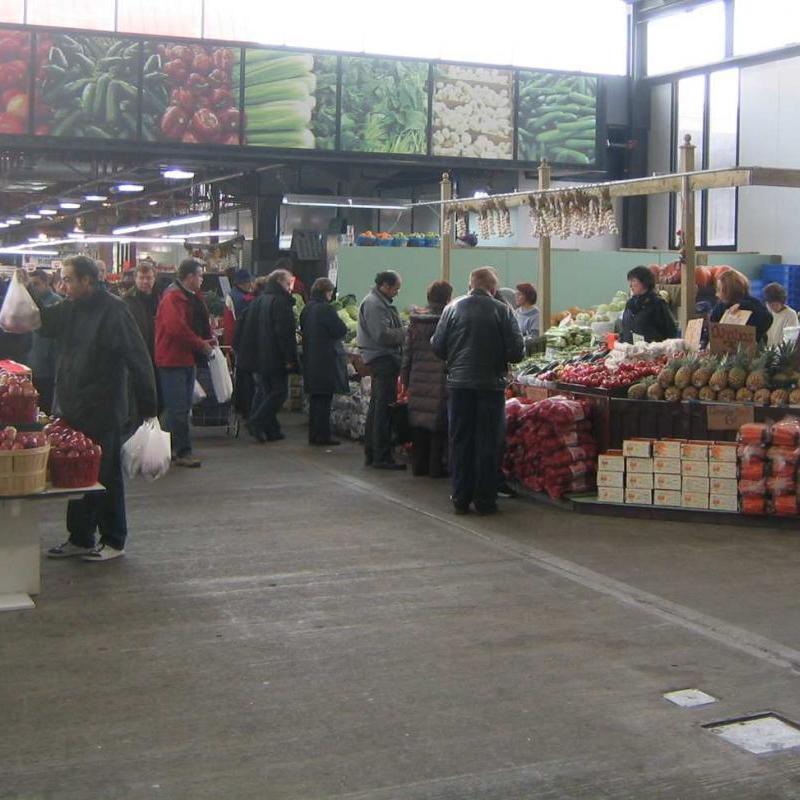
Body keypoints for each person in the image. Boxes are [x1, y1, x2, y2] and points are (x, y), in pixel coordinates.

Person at [22, 256, 157, 561]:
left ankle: (114, 539)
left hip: (103, 407)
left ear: (88, 280)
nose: (63, 284)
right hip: (72, 405)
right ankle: (81, 537)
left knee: (106, 475)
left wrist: (149, 407)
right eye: (62, 279)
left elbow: (138, 358)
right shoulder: (69, 308)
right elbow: (41, 322)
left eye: (69, 279)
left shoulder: (115, 310)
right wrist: (24, 290)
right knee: (77, 476)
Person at [431, 266, 524, 515]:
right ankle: (485, 500)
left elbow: (437, 346)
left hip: (459, 385)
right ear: (493, 289)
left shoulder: (452, 309)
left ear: (470, 285)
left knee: (460, 440)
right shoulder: (503, 310)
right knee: (488, 442)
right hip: (490, 386)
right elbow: (517, 350)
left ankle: (460, 497)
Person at [155, 259, 214, 467]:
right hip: (173, 360)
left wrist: (204, 341)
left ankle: (160, 446)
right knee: (178, 408)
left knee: (178, 408)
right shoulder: (174, 297)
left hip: (185, 359)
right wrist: (200, 344)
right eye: (200, 275)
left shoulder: (187, 296)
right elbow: (176, 328)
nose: (202, 279)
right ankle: (182, 451)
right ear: (190, 277)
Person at [238, 268, 298, 443]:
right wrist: (289, 358)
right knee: (279, 392)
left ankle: (272, 430)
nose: (290, 287)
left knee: (266, 391)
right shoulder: (280, 302)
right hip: (275, 356)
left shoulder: (260, 300)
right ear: (280, 282)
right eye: (288, 283)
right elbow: (284, 333)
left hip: (260, 355)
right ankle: (256, 422)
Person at [401, 280, 452, 478]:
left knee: (419, 424)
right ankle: (436, 468)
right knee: (438, 425)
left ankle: (418, 466)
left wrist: (405, 377)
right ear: (447, 298)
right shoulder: (447, 320)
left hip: (417, 376)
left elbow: (407, 352)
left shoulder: (416, 321)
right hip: (440, 378)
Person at [357, 270, 406, 470]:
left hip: (381, 358)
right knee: (383, 409)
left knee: (377, 408)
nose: (396, 293)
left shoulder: (377, 303)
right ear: (385, 286)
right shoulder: (375, 305)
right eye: (395, 289)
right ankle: (381, 456)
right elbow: (382, 335)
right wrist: (406, 331)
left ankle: (373, 452)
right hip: (383, 359)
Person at [300, 277, 349, 446]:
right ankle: (323, 436)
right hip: (326, 359)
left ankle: (314, 434)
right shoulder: (326, 309)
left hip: (310, 358)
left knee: (315, 400)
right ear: (326, 292)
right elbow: (340, 329)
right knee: (324, 400)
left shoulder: (307, 309)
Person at [25, 270, 60, 414]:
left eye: (36, 284)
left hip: (49, 370)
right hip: (33, 366)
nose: (34, 288)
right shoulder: (29, 304)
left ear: (46, 283)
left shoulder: (57, 304)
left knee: (45, 409)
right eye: (31, 285)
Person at [710, 269, 773, 344]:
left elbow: (767, 319)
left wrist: (745, 306)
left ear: (729, 290)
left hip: (753, 351)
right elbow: (713, 327)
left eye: (720, 290)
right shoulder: (720, 306)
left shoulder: (753, 303)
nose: (717, 294)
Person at [620, 265, 678, 343]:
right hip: (629, 351)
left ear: (644, 282)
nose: (630, 285)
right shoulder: (630, 303)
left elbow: (671, 331)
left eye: (633, 281)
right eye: (629, 281)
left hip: (651, 352)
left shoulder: (657, 304)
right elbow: (624, 329)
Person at [763, 282, 799, 346]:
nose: (771, 307)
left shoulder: (790, 315)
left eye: (775, 305)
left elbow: (791, 341)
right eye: (769, 304)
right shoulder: (768, 313)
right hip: (768, 351)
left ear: (782, 302)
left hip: (782, 353)